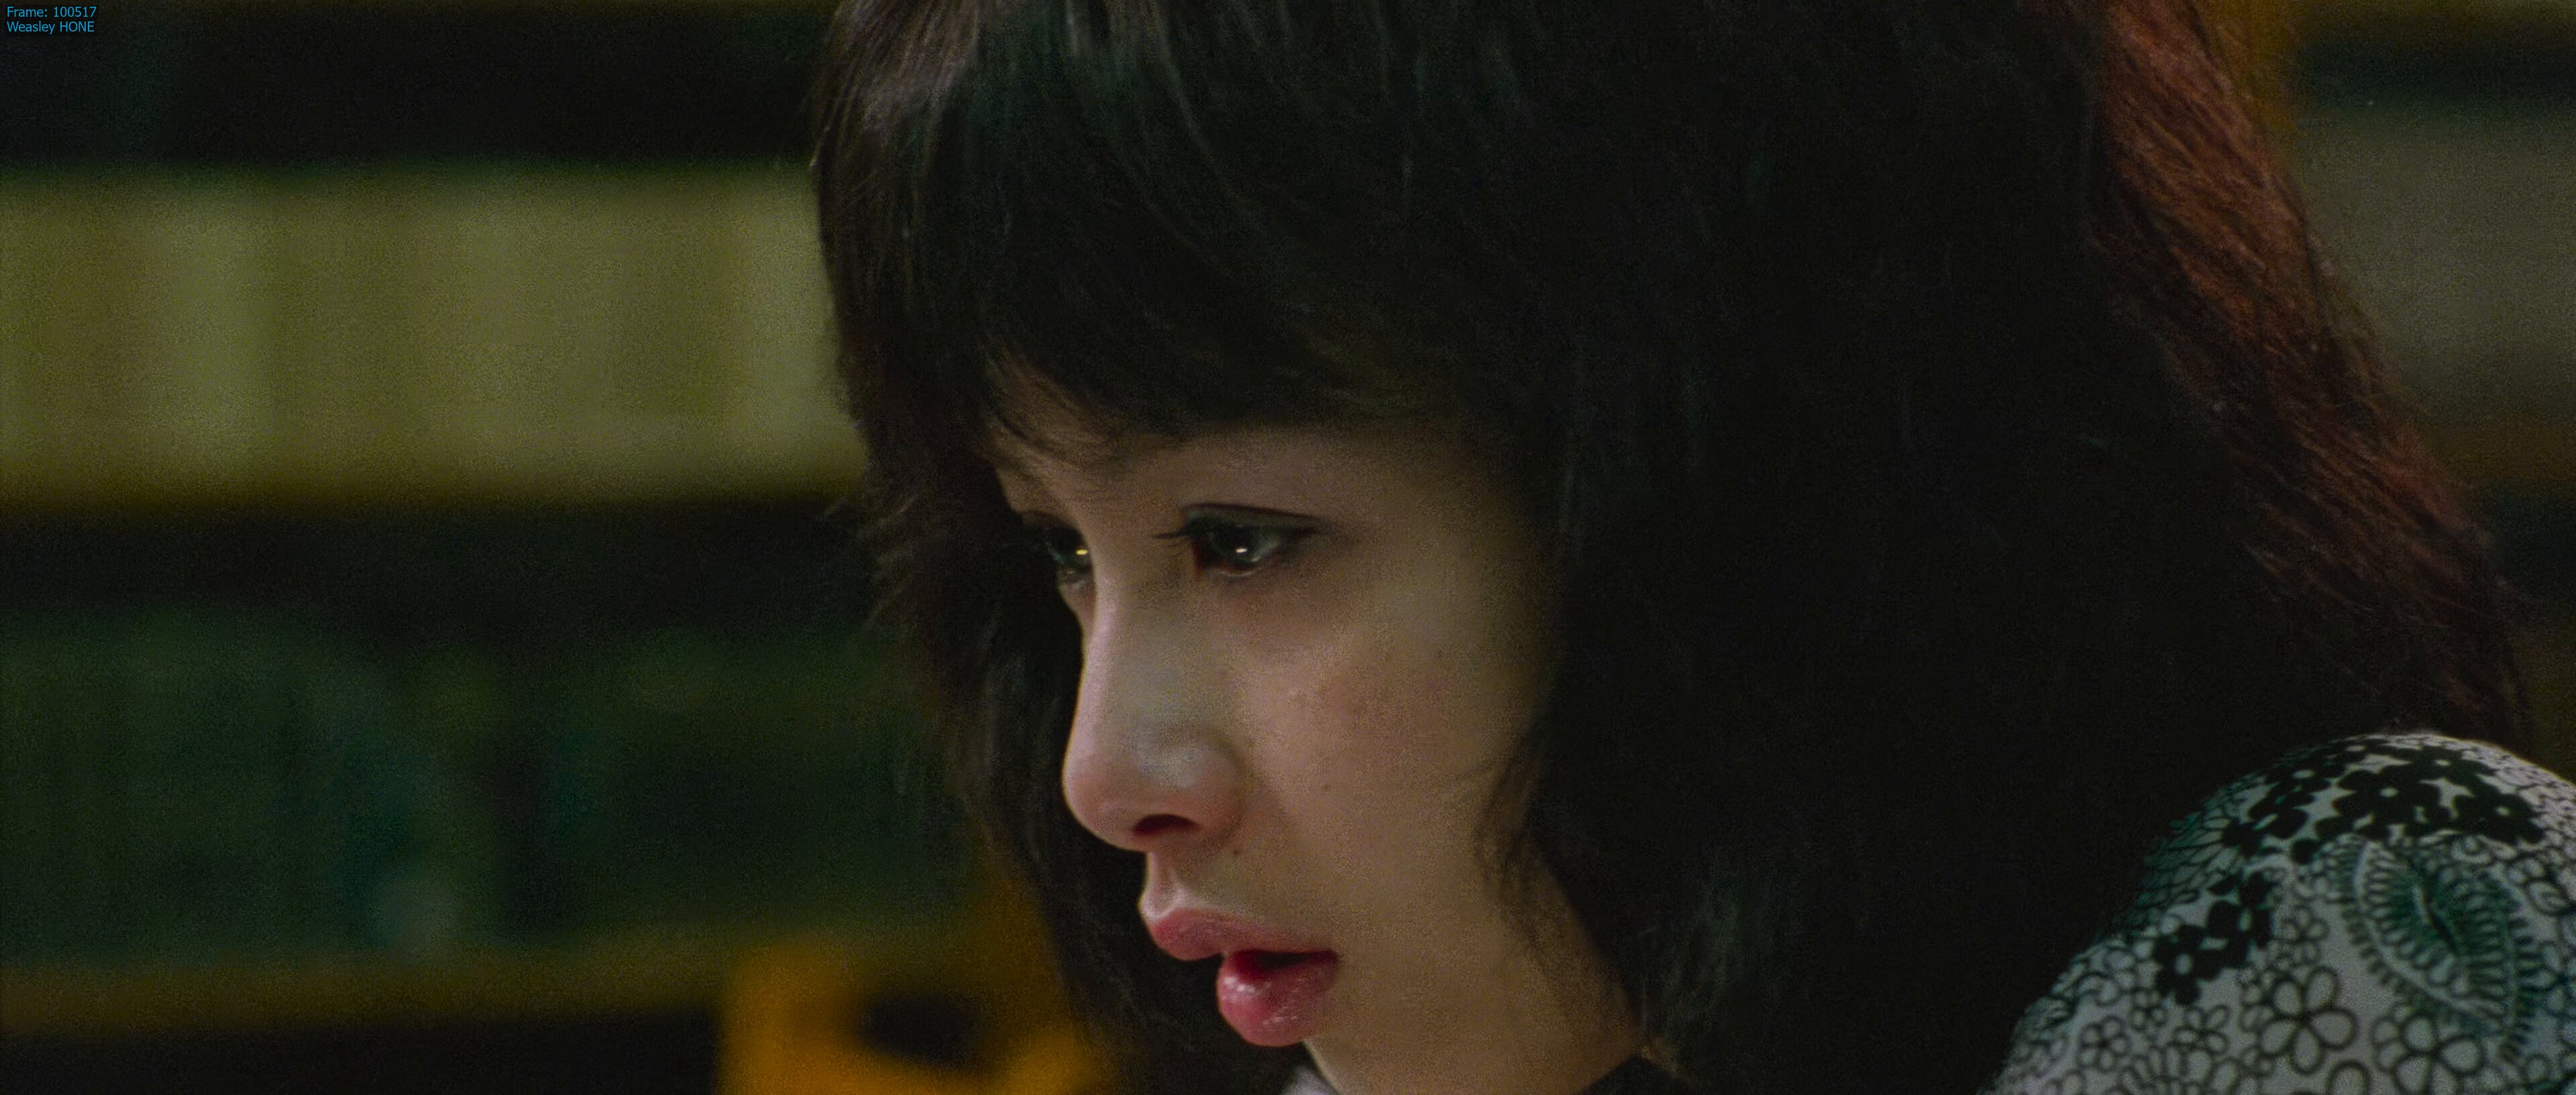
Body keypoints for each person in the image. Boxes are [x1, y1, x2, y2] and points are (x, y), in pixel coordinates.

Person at [806, 0, 2575, 1092]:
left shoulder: (2347, 943)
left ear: (1732, 482)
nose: (1107, 772)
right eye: (1062, 555)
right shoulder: (1553, 1042)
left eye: (1242, 540)